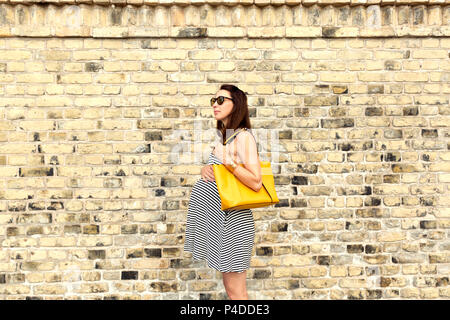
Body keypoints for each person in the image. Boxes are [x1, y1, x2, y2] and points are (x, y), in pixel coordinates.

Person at [184, 84, 262, 300]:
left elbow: (256, 182)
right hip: (222, 223)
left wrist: (226, 161)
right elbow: (224, 175)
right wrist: (207, 168)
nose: (215, 105)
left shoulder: (243, 137)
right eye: (213, 100)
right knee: (232, 291)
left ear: (235, 104)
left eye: (221, 100)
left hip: (233, 224)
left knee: (236, 293)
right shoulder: (228, 137)